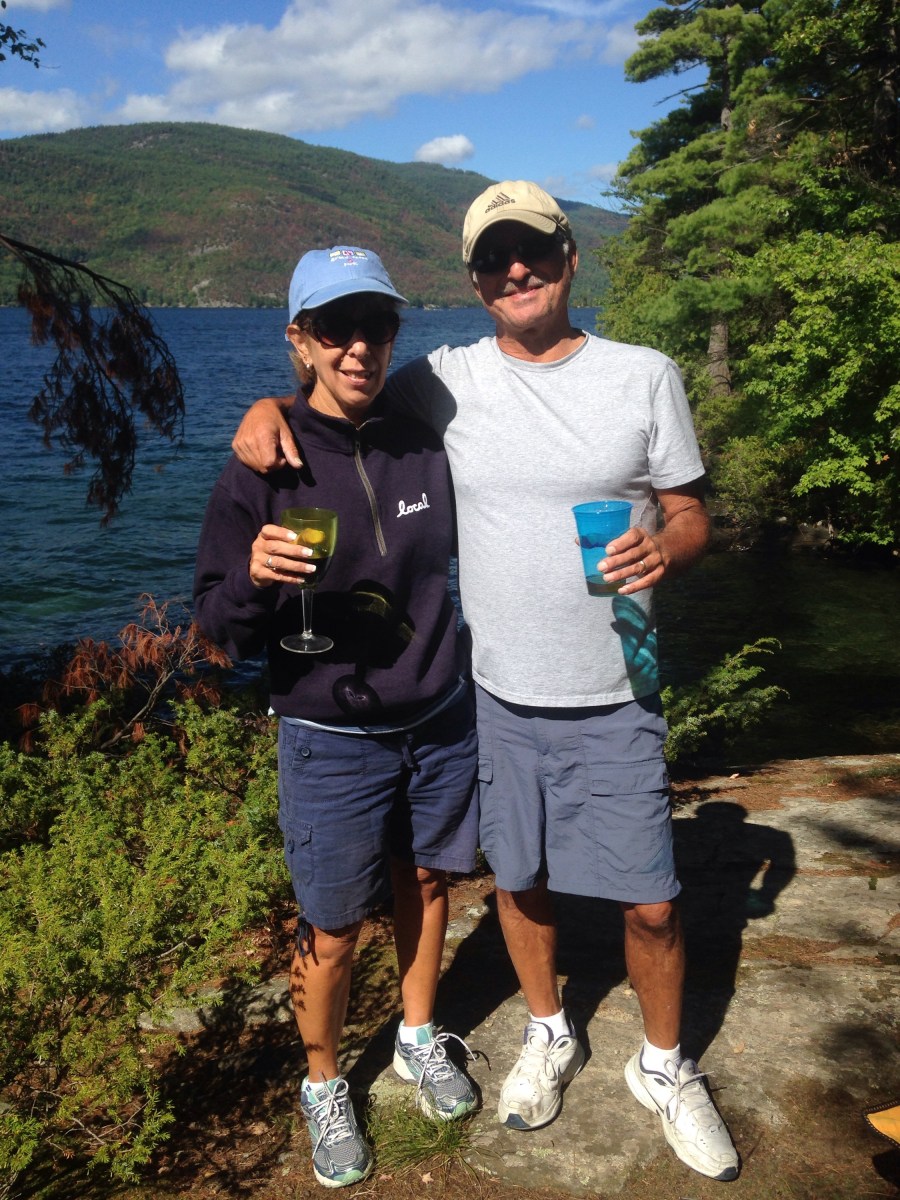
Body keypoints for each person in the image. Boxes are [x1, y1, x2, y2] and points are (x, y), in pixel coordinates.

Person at [231, 183, 741, 1183]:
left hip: (620, 683)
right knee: (520, 881)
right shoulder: (444, 380)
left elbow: (689, 512)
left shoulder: (645, 375)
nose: (517, 270)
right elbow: (337, 398)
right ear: (473, 280)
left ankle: (664, 1065)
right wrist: (263, 409)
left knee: (650, 902)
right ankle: (548, 1030)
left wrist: (668, 550)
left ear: (569, 258)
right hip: (496, 692)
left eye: (535, 250)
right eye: (495, 258)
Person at [194, 246, 480, 1189]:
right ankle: (322, 1083)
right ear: (300, 339)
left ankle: (417, 1036)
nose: (359, 345)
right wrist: (253, 578)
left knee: (427, 881)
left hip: (438, 714)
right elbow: (216, 627)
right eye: (335, 327)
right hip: (328, 736)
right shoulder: (261, 466)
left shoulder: (424, 438)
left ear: (394, 334)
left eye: (377, 325)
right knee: (332, 923)